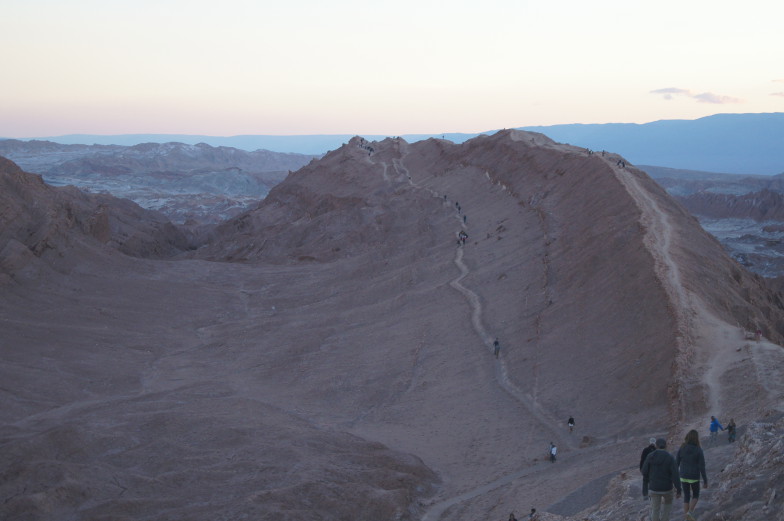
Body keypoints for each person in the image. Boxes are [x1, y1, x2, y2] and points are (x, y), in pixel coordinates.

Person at [641, 438, 681, 521]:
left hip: (654, 488)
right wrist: (679, 489)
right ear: (666, 446)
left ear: (656, 446)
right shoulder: (670, 457)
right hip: (667, 488)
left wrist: (650, 478)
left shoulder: (650, 456)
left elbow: (644, 471)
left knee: (655, 509)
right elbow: (675, 474)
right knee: (667, 506)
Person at [676, 430, 708, 521]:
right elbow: (702, 466)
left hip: (683, 476)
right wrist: (705, 480)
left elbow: (676, 463)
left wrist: (675, 478)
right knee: (696, 495)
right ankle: (690, 513)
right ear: (696, 438)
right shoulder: (698, 449)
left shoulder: (682, 447)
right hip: (694, 477)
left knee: (686, 496)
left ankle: (686, 518)